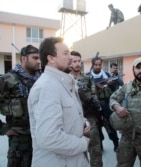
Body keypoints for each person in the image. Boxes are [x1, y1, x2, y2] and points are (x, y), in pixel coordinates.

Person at [27, 37, 90, 167]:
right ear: (51, 58)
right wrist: (82, 143)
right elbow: (49, 137)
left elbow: (67, 115)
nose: (71, 58)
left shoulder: (63, 83)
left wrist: (82, 123)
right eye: (66, 53)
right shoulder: (46, 87)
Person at [109, 57, 141, 167]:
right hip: (127, 138)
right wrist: (117, 107)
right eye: (138, 68)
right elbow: (113, 98)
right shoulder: (127, 87)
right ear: (133, 69)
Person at [0, 45, 41, 167]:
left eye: (39, 58)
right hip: (19, 140)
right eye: (35, 58)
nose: (38, 61)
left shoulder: (41, 79)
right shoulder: (8, 80)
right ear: (24, 59)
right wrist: (3, 129)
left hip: (40, 136)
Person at [70, 51, 103, 167]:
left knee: (95, 150)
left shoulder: (88, 78)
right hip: (72, 119)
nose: (77, 64)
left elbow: (94, 97)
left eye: (79, 61)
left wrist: (98, 114)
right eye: (74, 61)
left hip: (89, 116)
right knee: (75, 152)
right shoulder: (65, 78)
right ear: (69, 62)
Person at [87, 56, 119, 152]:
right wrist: (95, 87)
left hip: (106, 104)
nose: (97, 67)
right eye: (96, 65)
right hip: (94, 106)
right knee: (97, 126)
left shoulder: (106, 74)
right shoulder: (88, 76)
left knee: (110, 125)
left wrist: (111, 84)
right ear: (92, 65)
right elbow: (85, 92)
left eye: (99, 64)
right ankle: (100, 145)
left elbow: (114, 90)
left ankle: (116, 144)